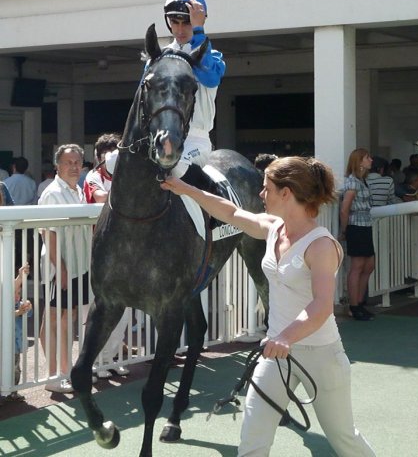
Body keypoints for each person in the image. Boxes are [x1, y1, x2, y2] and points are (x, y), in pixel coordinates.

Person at [161, 156, 375, 457]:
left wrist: (286, 336)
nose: (261, 195)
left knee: (344, 440)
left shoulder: (321, 245)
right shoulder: (274, 227)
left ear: (286, 193)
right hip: (275, 357)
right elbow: (231, 212)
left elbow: (322, 305)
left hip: (321, 356)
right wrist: (185, 189)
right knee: (252, 442)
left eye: (267, 188)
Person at [153, 0, 225, 187]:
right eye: (174, 22)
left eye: (187, 23)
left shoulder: (214, 57)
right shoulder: (158, 58)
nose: (180, 29)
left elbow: (210, 78)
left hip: (196, 140)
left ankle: (217, 213)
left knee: (175, 167)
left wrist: (199, 31)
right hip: (160, 135)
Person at [38, 144, 91, 393]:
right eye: (69, 162)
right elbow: (48, 233)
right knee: (53, 319)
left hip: (78, 266)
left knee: (65, 317)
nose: (74, 167)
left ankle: (64, 372)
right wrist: (59, 269)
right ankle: (53, 375)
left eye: (78, 162)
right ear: (57, 165)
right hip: (60, 267)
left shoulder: (78, 190)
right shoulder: (52, 193)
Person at [84, 132, 130, 378]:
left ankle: (111, 358)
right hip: (102, 254)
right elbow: (100, 197)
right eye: (107, 154)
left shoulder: (125, 175)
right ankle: (96, 362)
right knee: (101, 311)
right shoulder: (94, 176)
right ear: (99, 156)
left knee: (124, 310)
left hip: (127, 252)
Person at [340, 149, 376, 322]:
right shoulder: (353, 182)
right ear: (359, 162)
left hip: (365, 225)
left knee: (369, 265)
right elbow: (345, 207)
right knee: (358, 266)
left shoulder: (362, 180)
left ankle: (359, 303)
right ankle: (354, 306)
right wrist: (345, 230)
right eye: (367, 158)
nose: (371, 160)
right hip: (357, 226)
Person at [3, 264, 33, 403]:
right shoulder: (4, 305)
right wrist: (18, 312)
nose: (16, 296)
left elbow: (28, 315)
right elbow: (6, 315)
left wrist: (27, 307)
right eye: (14, 293)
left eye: (19, 293)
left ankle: (13, 391)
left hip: (15, 346)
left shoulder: (19, 304)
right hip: (4, 345)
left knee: (16, 369)